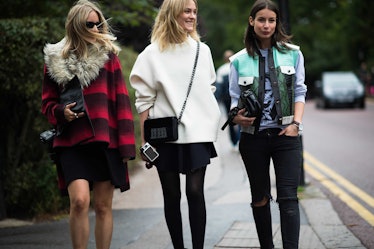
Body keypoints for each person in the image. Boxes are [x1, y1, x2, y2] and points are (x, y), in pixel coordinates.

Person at [41, 1, 136, 248]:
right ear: (75, 25)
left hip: (106, 140)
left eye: (98, 24)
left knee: (104, 206)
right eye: (89, 24)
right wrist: (62, 112)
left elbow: (122, 103)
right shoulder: (55, 60)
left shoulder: (108, 57)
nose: (95, 29)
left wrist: (126, 147)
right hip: (72, 140)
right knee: (80, 201)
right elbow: (47, 104)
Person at [129, 0, 220, 248]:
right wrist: (145, 142)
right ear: (172, 14)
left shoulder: (203, 51)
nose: (192, 16)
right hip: (164, 135)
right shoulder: (152, 54)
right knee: (171, 195)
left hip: (198, 134)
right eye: (187, 11)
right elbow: (144, 100)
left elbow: (208, 88)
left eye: (194, 11)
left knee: (194, 192)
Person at [229, 0, 307, 248]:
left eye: (271, 20)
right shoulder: (238, 60)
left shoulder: (293, 53)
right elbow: (233, 101)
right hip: (253, 139)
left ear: (276, 23)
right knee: (260, 199)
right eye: (261, 19)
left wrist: (295, 124)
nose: (266, 25)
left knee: (288, 198)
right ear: (252, 22)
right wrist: (237, 117)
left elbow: (299, 91)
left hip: (286, 136)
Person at [215, 50, 240, 150]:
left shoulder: (221, 70)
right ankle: (239, 139)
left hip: (226, 98)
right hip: (238, 98)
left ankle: (233, 142)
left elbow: (219, 87)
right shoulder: (237, 67)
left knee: (230, 119)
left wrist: (217, 99)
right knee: (240, 118)